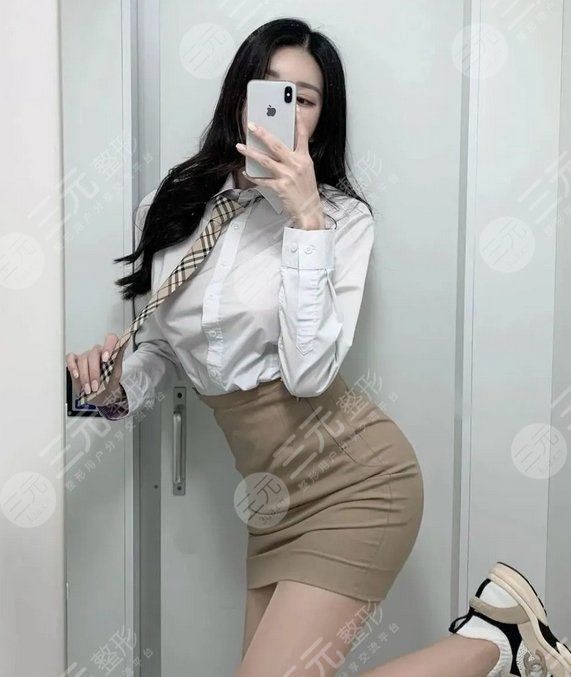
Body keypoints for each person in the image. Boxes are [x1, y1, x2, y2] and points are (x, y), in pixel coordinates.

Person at [65, 17, 570, 677]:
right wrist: (110, 390)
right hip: (271, 499)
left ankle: (492, 645)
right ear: (238, 96)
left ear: (321, 118)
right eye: (269, 87)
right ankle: (499, 638)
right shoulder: (173, 204)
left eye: (303, 98)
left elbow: (307, 376)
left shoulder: (340, 220)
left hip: (358, 482)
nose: (284, 109)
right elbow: (162, 349)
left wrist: (304, 220)